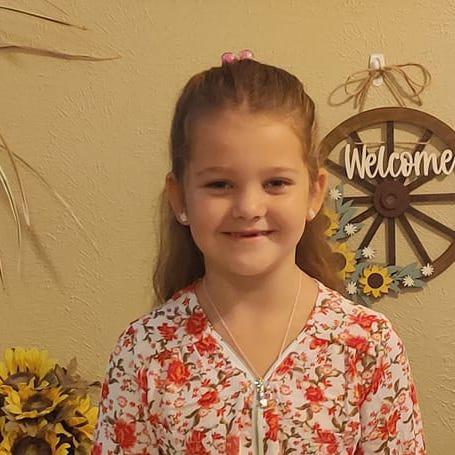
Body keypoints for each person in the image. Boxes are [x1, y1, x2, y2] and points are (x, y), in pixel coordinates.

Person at [91, 50, 426, 454]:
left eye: (275, 183)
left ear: (314, 193)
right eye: (219, 185)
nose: (249, 207)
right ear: (180, 197)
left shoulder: (367, 344)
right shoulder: (143, 351)